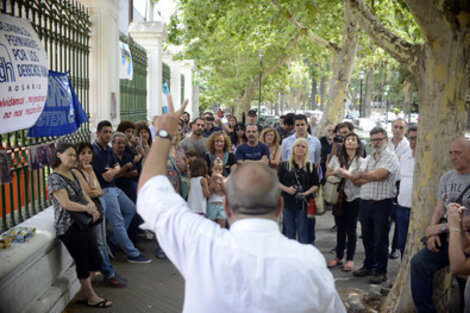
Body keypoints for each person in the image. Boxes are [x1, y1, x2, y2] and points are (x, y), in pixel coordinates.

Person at [136, 96, 346, 312]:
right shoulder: (310, 263)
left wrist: (163, 134)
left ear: (227, 207)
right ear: (279, 207)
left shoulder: (202, 244)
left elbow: (150, 193)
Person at [48, 143, 112, 308]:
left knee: (95, 259)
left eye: (73, 155)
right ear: (59, 155)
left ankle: (84, 293)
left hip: (83, 222)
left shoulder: (72, 174)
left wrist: (93, 208)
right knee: (83, 261)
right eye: (69, 154)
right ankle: (91, 296)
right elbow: (66, 203)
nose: (73, 158)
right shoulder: (54, 178)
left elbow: (84, 194)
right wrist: (87, 208)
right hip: (68, 227)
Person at [410, 137, 470, 313]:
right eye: (451, 153)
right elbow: (439, 209)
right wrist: (433, 233)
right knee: (418, 263)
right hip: (446, 238)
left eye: (457, 153)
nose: (453, 157)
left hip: (466, 241)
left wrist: (441, 228)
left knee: (463, 280)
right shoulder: (446, 177)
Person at [92, 120, 151, 264]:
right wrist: (115, 170)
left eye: (109, 132)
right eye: (105, 132)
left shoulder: (108, 150)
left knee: (131, 209)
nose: (107, 135)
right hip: (104, 190)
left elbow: (116, 168)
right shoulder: (95, 152)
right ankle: (132, 253)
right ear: (97, 133)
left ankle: (112, 242)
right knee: (118, 222)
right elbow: (107, 175)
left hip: (113, 188)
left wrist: (115, 170)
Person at [74, 142, 127, 288]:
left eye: (89, 153)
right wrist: (95, 189)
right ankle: (108, 273)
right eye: (83, 153)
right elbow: (89, 191)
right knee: (99, 243)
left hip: (99, 208)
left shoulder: (89, 170)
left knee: (102, 242)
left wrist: (91, 173)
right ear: (77, 156)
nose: (86, 156)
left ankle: (109, 272)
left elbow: (99, 192)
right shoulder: (76, 172)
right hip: (92, 212)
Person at [352, 126, 399, 284]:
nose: (375, 143)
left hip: (382, 204)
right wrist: (370, 176)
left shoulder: (391, 156)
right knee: (367, 237)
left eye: (379, 139)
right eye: (373, 140)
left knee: (381, 239)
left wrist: (364, 175)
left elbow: (381, 174)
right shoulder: (368, 158)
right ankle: (369, 266)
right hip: (365, 203)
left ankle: (381, 271)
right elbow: (356, 180)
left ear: (386, 140)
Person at [326, 133, 364, 272]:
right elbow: (326, 174)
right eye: (348, 139)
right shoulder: (336, 158)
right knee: (340, 229)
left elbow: (362, 181)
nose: (350, 141)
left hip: (354, 197)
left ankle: (350, 258)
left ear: (358, 144)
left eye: (353, 139)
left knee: (351, 229)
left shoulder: (361, 161)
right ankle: (339, 257)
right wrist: (335, 172)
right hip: (339, 198)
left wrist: (349, 176)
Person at [278, 138, 320, 244]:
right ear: (293, 148)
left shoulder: (310, 166)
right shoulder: (284, 165)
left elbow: (316, 184)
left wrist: (306, 193)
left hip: (304, 203)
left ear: (306, 150)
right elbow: (276, 182)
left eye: (303, 146)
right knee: (289, 231)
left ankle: (303, 256)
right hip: (288, 202)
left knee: (303, 231)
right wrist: (287, 189)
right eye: (298, 146)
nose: (300, 148)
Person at [388, 118, 411, 259]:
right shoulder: (387, 144)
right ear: (391, 128)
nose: (398, 130)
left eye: (401, 127)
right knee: (387, 217)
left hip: (401, 183)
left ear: (405, 130)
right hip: (386, 182)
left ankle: (395, 247)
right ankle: (385, 245)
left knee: (398, 217)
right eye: (395, 127)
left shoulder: (408, 146)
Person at [396, 125, 417, 258]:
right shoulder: (404, 157)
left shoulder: (428, 159)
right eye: (411, 139)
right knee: (402, 243)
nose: (413, 142)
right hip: (402, 208)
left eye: (416, 138)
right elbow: (397, 178)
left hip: (418, 210)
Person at [111, 132, 139, 203]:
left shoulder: (127, 155)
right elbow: (113, 177)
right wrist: (125, 168)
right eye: (119, 143)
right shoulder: (109, 157)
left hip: (128, 183)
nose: (121, 145)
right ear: (113, 144)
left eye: (123, 143)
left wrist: (121, 174)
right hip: (116, 185)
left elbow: (135, 172)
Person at [207, 158, 227, 227]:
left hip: (222, 205)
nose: (217, 171)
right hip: (212, 204)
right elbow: (216, 189)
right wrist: (214, 180)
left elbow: (226, 191)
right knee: (210, 227)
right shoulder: (209, 179)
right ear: (211, 168)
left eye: (220, 169)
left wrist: (221, 180)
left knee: (222, 228)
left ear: (222, 170)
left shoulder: (224, 179)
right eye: (215, 169)